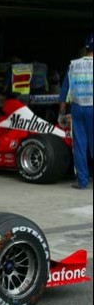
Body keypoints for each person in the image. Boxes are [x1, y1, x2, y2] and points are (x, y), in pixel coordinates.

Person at [58, 34, 93, 190]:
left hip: (78, 108)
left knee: (79, 145)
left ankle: (82, 181)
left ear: (86, 48)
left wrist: (62, 112)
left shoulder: (73, 65)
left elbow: (65, 90)